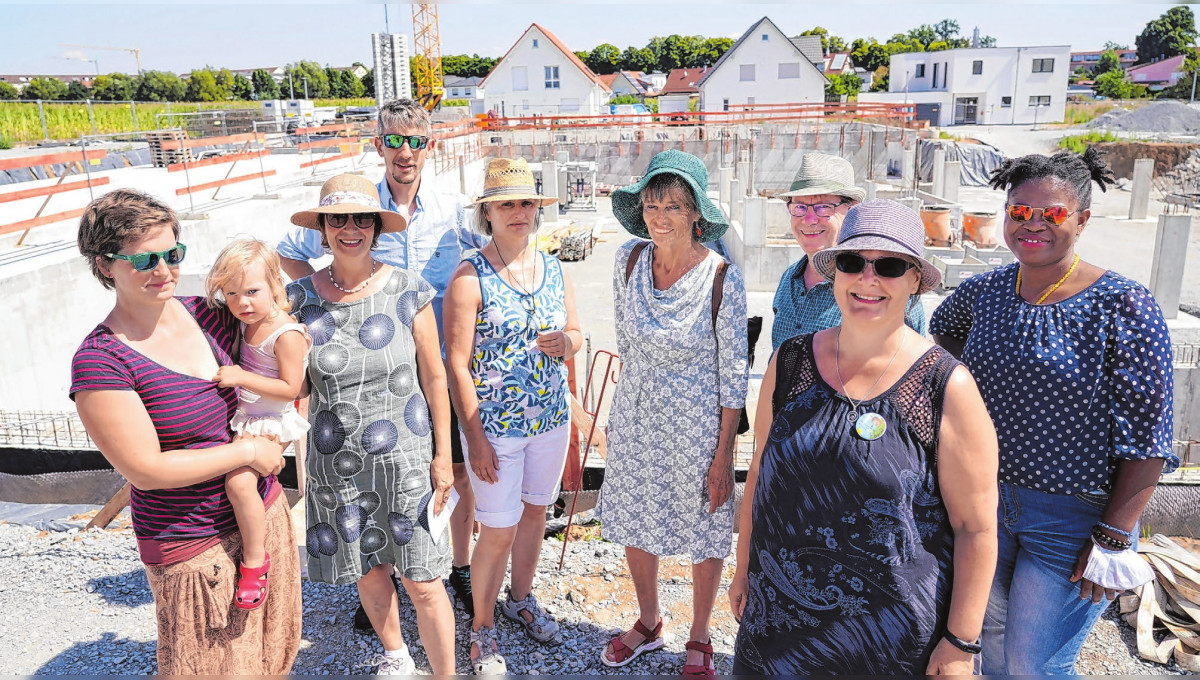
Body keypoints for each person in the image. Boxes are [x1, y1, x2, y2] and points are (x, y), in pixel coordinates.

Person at [929, 147, 1177, 675]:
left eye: (1052, 213)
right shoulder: (983, 292)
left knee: (1035, 664)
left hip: (1074, 518)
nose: (1032, 224)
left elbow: (1149, 437)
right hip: (984, 506)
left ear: (1082, 219)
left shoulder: (1124, 306)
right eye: (1019, 211)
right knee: (987, 648)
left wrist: (1113, 537)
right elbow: (942, 335)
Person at [727, 199, 999, 675]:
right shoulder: (790, 363)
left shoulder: (945, 387)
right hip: (777, 629)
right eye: (853, 262)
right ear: (836, 273)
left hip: (886, 641)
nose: (868, 279)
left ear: (915, 280)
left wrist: (960, 644)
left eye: (890, 266)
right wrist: (744, 566)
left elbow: (976, 528)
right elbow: (759, 483)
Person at [71, 189, 301, 674]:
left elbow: (281, 352)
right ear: (105, 264)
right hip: (194, 548)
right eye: (144, 259)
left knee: (273, 660)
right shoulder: (101, 361)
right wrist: (248, 454)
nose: (163, 271)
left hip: (265, 513)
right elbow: (146, 470)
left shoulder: (210, 314)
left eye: (172, 255)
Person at [277, 98, 484, 618]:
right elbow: (288, 249)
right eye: (394, 140)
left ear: (429, 146)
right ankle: (381, 582)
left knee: (452, 468)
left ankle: (455, 565)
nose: (405, 152)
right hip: (377, 366)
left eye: (415, 141)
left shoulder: (451, 209)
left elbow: (490, 253)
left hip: (437, 360)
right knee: (376, 474)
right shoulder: (359, 205)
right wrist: (321, 298)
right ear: (379, 145)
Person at [287, 174, 456, 675]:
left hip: (406, 460)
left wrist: (443, 456)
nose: (350, 228)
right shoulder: (296, 300)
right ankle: (397, 655)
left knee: (424, 581)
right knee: (368, 567)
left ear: (377, 228)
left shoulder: (410, 291)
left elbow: (434, 374)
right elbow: (294, 386)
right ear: (322, 228)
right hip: (337, 466)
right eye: (337, 218)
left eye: (362, 218)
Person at [597, 150, 748, 676]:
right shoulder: (628, 261)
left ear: (697, 216)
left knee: (703, 528)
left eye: (676, 206)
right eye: (653, 203)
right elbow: (627, 345)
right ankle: (648, 621)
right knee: (638, 520)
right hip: (637, 419)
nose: (660, 216)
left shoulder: (721, 278)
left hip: (698, 430)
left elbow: (734, 376)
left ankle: (701, 636)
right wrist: (618, 419)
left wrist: (723, 454)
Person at [444, 157, 583, 674]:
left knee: (534, 514)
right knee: (496, 529)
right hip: (496, 431)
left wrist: (565, 343)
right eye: (507, 204)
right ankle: (482, 627)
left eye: (526, 202)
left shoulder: (553, 267)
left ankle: (521, 600)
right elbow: (457, 363)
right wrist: (474, 439)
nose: (518, 211)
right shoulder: (469, 275)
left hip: (549, 421)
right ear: (488, 212)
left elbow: (577, 333)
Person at [203, 239, 312, 610]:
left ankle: (255, 561)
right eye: (231, 293)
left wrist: (240, 377)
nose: (241, 302)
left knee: (238, 481)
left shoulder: (286, 334)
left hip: (271, 420)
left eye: (252, 291)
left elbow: (290, 389)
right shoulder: (244, 323)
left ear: (275, 287)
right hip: (245, 416)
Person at [771, 152, 925, 351]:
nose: (809, 220)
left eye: (823, 207)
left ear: (852, 210)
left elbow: (914, 366)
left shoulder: (884, 288)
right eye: (800, 207)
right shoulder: (789, 278)